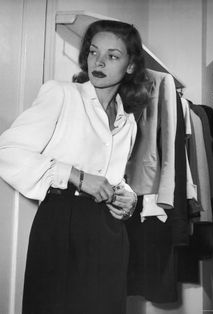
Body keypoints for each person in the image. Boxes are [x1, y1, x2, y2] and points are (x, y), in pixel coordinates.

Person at [0, 19, 151, 314]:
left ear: (130, 66)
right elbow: (7, 151)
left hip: (109, 231)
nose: (99, 61)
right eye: (94, 52)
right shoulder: (62, 94)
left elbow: (115, 178)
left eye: (113, 56)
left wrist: (127, 199)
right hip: (61, 223)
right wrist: (75, 176)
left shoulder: (128, 121)